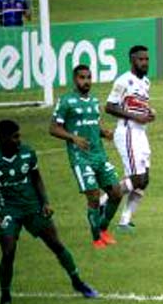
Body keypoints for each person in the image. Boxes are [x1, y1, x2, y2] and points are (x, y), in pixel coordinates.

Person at [0, 119, 99, 304]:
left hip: (33, 207)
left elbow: (36, 178)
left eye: (19, 136)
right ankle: (5, 295)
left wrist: (45, 202)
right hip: (8, 210)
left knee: (56, 244)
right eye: (15, 137)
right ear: (3, 138)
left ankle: (78, 282)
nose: (19, 140)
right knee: (8, 253)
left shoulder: (28, 153)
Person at [49, 64, 125, 248]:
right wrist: (72, 137)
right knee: (94, 196)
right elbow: (53, 128)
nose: (86, 81)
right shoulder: (66, 101)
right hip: (80, 158)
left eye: (89, 77)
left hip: (99, 155)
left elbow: (93, 124)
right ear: (75, 80)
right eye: (82, 78)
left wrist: (104, 133)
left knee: (116, 192)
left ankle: (103, 228)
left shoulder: (93, 102)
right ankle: (96, 238)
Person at [106, 45, 154, 231]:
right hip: (127, 132)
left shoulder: (146, 83)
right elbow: (110, 107)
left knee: (145, 179)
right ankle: (103, 202)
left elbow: (138, 106)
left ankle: (125, 220)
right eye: (140, 59)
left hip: (141, 133)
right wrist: (136, 117)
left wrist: (149, 113)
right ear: (132, 60)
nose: (144, 62)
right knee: (137, 179)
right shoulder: (123, 81)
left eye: (147, 59)